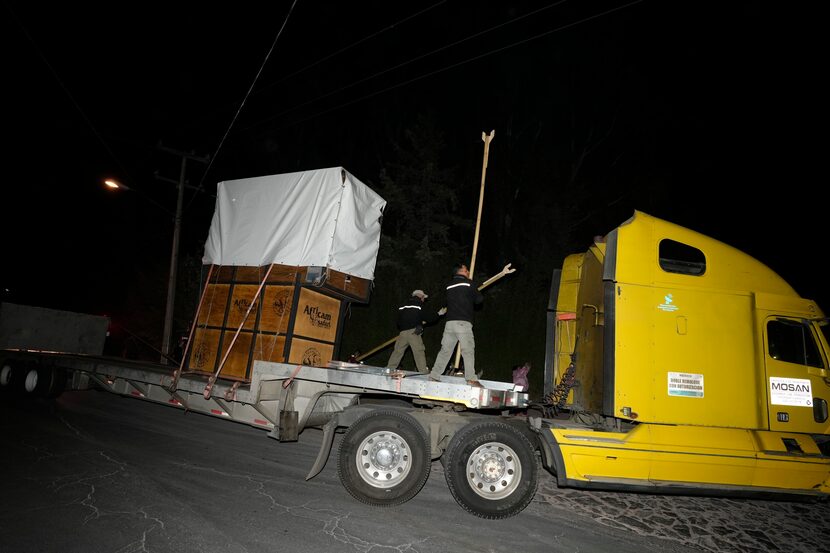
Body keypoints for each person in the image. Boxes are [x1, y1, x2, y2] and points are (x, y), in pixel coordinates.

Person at [429, 263, 484, 386]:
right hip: (463, 322)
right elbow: (479, 300)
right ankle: (471, 378)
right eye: (466, 270)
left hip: (450, 323)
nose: (468, 272)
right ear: (461, 271)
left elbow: (446, 302)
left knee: (445, 351)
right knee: (468, 350)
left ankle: (434, 375)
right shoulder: (469, 283)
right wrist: (473, 289)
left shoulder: (448, 286)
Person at [386, 290, 446, 374]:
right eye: (423, 298)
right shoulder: (419, 305)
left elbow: (398, 319)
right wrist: (438, 314)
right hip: (414, 332)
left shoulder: (403, 305)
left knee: (397, 351)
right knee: (419, 351)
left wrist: (404, 326)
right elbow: (429, 317)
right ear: (420, 296)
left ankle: (389, 369)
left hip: (402, 333)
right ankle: (423, 371)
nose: (424, 300)